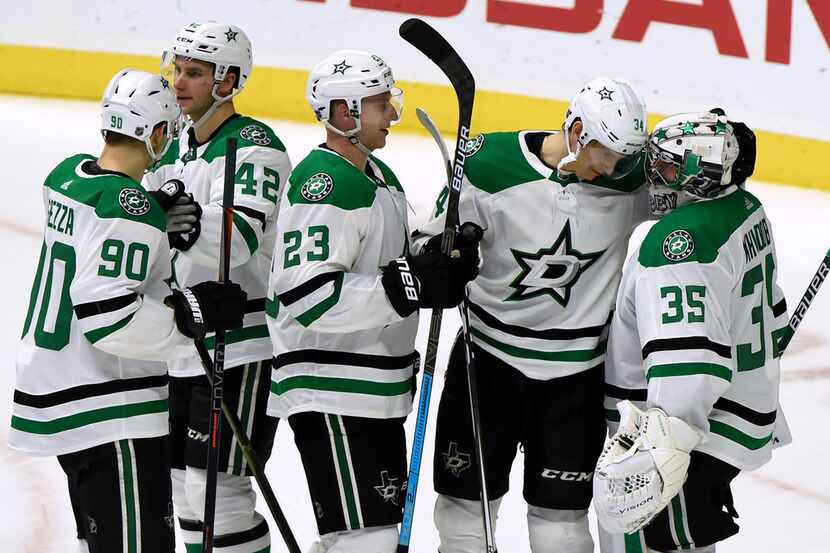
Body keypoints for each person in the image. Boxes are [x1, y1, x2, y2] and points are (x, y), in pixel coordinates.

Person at [9, 68, 247, 553]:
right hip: (107, 405)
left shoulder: (68, 176)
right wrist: (190, 315)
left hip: (57, 387)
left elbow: (101, 223)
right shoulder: (128, 209)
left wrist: (152, 208)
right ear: (158, 133)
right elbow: (109, 314)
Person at [411, 76, 650, 553]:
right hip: (487, 365)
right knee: (463, 518)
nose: (615, 166)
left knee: (561, 527)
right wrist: (438, 255)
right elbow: (424, 238)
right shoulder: (486, 164)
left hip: (576, 379)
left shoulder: (631, 177)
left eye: (625, 156)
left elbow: (699, 199)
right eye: (608, 153)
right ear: (578, 131)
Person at [265, 49, 479, 552]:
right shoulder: (327, 185)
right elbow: (307, 295)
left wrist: (440, 250)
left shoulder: (377, 176)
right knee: (370, 541)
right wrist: (408, 284)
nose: (395, 114)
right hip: (331, 383)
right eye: (382, 104)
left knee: (361, 538)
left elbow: (393, 259)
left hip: (369, 384)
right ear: (346, 113)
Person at [594, 110, 791, 553]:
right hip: (724, 421)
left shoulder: (677, 243)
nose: (655, 177)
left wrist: (662, 452)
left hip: (671, 431)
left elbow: (689, 366)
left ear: (701, 175)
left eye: (665, 168)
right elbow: (768, 314)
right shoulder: (745, 208)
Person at [142, 21, 292, 553]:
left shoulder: (255, 146)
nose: (178, 84)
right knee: (184, 489)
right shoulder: (174, 148)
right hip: (184, 341)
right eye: (177, 70)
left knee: (217, 490)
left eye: (195, 74)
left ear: (228, 81)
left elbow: (241, 238)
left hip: (241, 344)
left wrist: (184, 224)